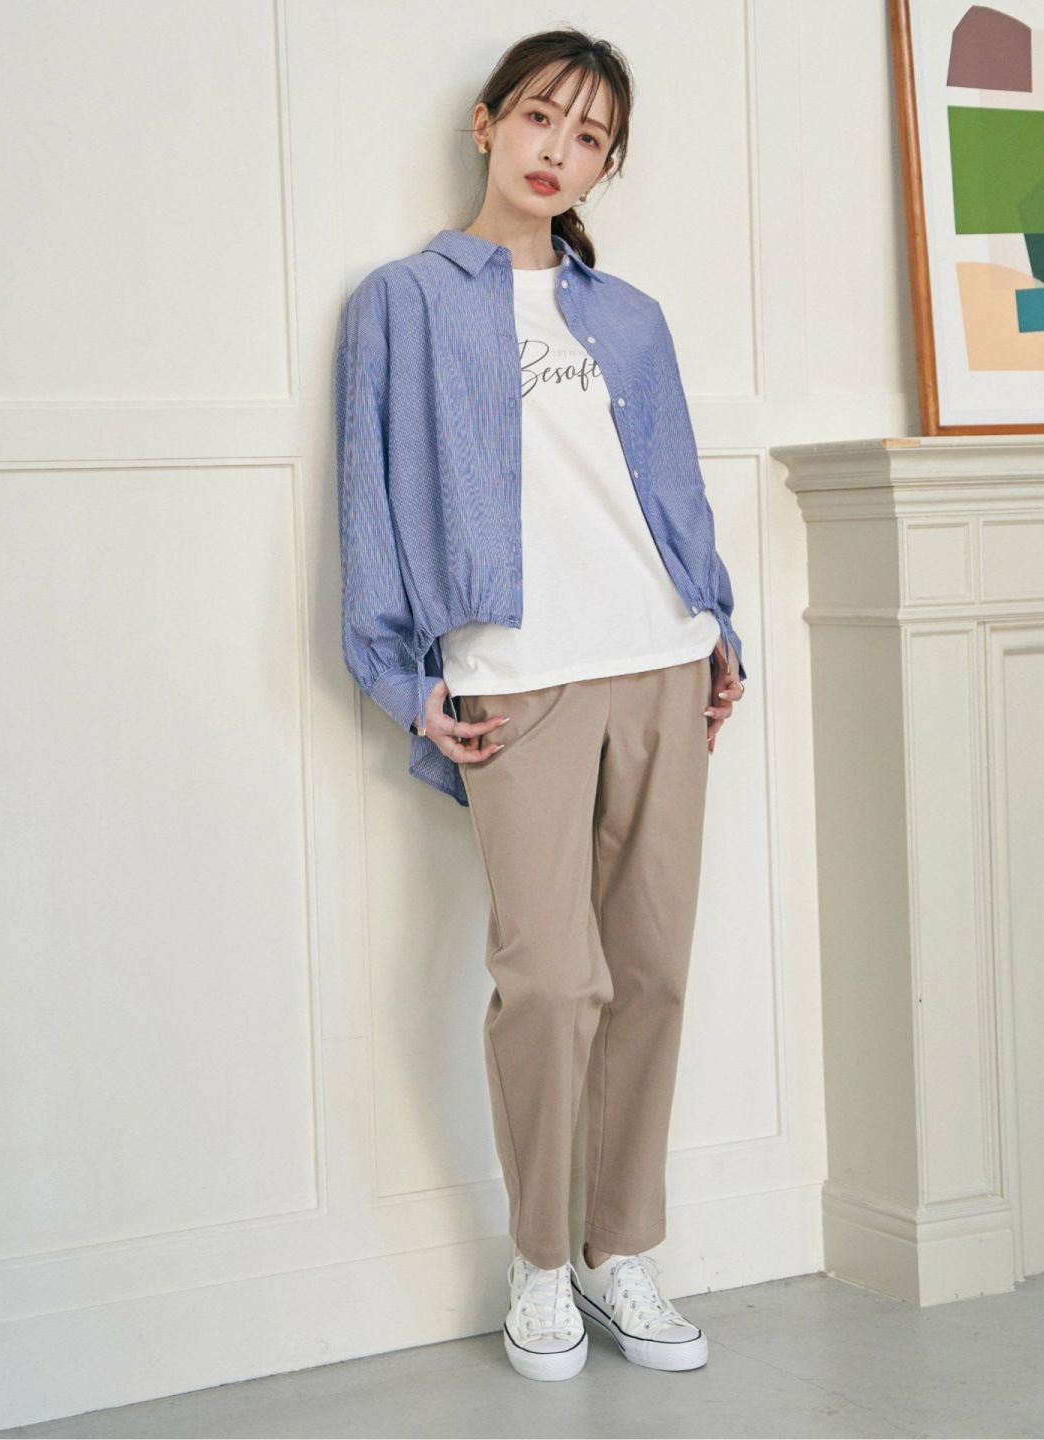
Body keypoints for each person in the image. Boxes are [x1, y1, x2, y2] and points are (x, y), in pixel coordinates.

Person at [334, 27, 746, 1383]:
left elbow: (673, 487)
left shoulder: (630, 317)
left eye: (589, 137)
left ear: (604, 167)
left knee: (654, 971)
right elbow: (369, 504)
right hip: (518, 679)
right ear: (487, 123)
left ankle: (622, 1250)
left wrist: (719, 623)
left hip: (662, 657)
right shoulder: (402, 303)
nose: (558, 149)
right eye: (540, 119)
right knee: (551, 980)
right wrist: (401, 679)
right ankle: (539, 1263)